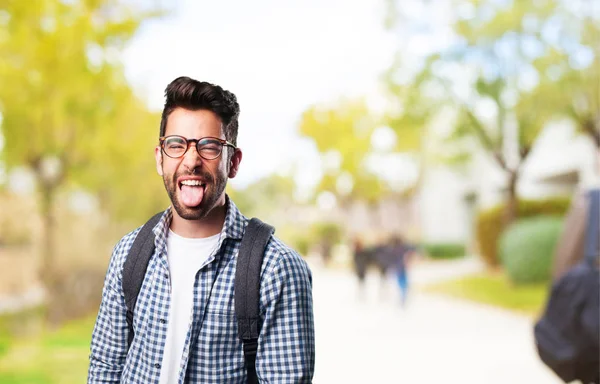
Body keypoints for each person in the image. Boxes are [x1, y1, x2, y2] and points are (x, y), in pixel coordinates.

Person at [87, 76, 315, 383]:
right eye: (176, 145)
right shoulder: (130, 253)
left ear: (233, 162)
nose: (191, 160)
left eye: (209, 146)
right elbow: (105, 367)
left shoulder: (275, 269)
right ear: (160, 158)